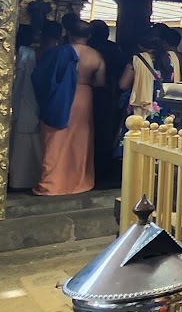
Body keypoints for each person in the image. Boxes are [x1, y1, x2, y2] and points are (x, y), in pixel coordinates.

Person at [31, 20, 106, 196]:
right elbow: (100, 82)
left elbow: (41, 76)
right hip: (84, 96)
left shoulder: (58, 52)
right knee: (80, 139)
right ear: (89, 36)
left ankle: (52, 182)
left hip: (61, 95)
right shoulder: (96, 55)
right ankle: (80, 180)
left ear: (69, 33)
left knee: (55, 137)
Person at [88, 20, 127, 183]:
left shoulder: (90, 47)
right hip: (110, 89)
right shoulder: (113, 48)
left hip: (92, 88)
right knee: (107, 126)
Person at [8, 24, 42, 191]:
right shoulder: (29, 54)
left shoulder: (22, 53)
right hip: (26, 97)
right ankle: (21, 178)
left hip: (17, 97)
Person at [120, 34, 181, 123]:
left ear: (140, 46)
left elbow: (123, 85)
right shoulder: (171, 59)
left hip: (143, 107)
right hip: (166, 107)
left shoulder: (137, 60)